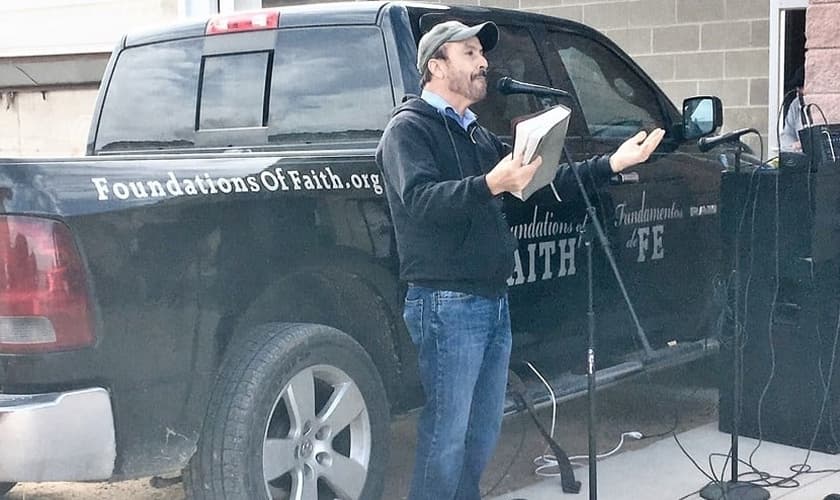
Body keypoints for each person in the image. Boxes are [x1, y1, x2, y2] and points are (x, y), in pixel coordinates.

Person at [375, 20, 664, 500]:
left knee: (481, 431)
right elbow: (421, 201)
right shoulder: (408, 130)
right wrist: (492, 183)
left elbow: (539, 182)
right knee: (446, 435)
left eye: (480, 54)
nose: (483, 62)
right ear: (435, 66)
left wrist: (613, 163)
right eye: (468, 53)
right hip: (447, 301)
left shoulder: (474, 134)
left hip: (490, 300)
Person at [780, 65, 806, 152]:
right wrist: (792, 146)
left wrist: (804, 144)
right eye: (797, 87)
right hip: (801, 159)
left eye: (802, 86)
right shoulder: (796, 104)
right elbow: (787, 134)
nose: (799, 91)